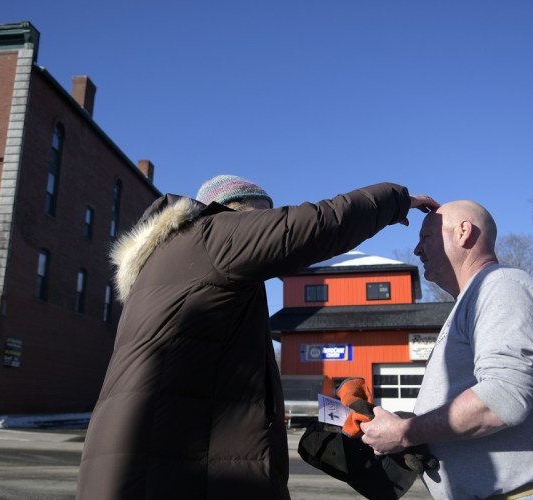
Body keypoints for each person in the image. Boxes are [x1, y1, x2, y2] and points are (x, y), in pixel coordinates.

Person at [76, 174, 438, 500]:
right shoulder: (210, 235)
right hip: (164, 468)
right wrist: (394, 199)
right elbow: (312, 225)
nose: (266, 224)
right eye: (261, 216)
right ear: (231, 211)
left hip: (154, 459)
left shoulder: (176, 268)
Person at [361, 200, 533, 500]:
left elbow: (504, 397)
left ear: (464, 232)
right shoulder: (474, 299)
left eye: (425, 237)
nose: (417, 250)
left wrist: (405, 432)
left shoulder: (502, 286)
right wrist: (407, 427)